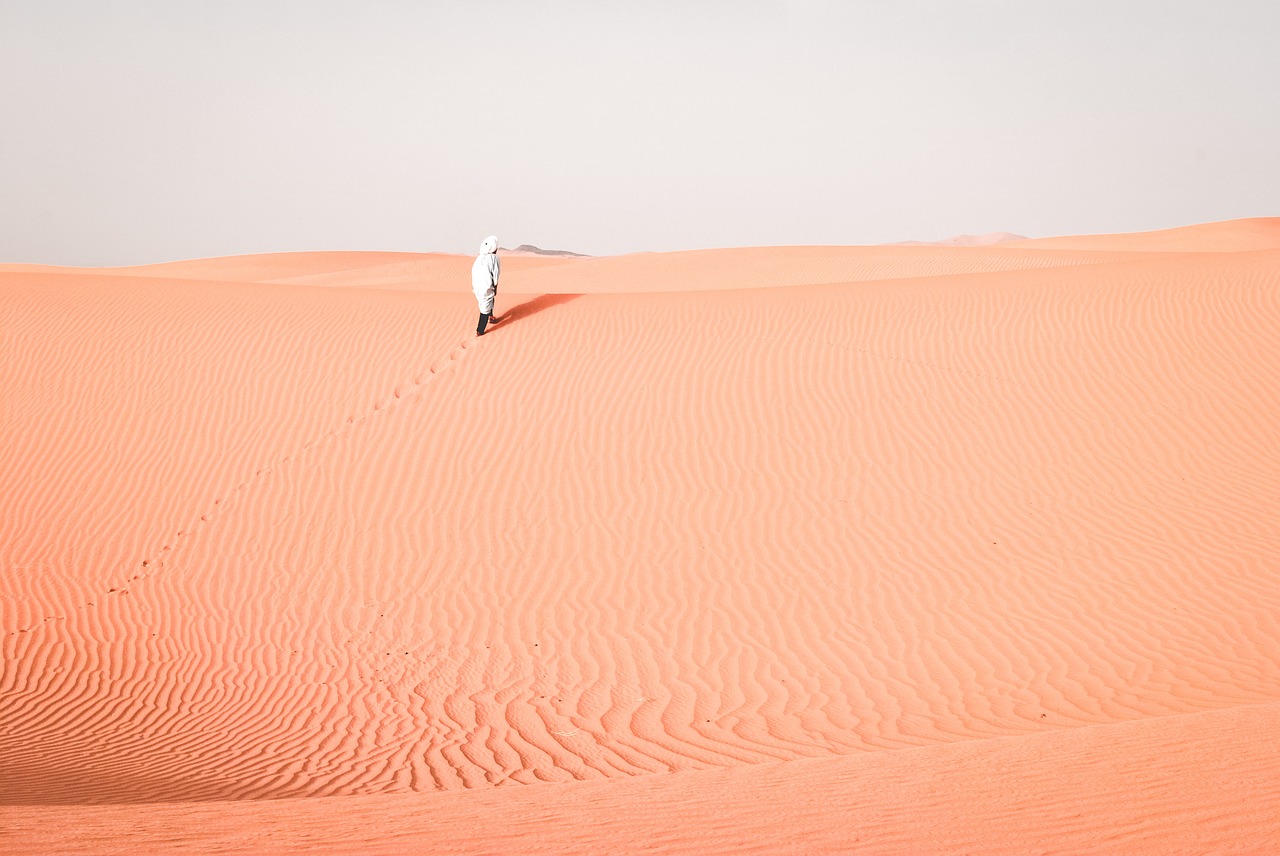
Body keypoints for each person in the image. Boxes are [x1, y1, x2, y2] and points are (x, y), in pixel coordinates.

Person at [471, 235, 501, 335]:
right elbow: (496, 274)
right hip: (486, 286)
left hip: (477, 285)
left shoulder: (479, 258)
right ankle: (479, 330)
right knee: (485, 307)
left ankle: (490, 316)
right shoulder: (494, 258)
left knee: (487, 301)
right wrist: (495, 286)